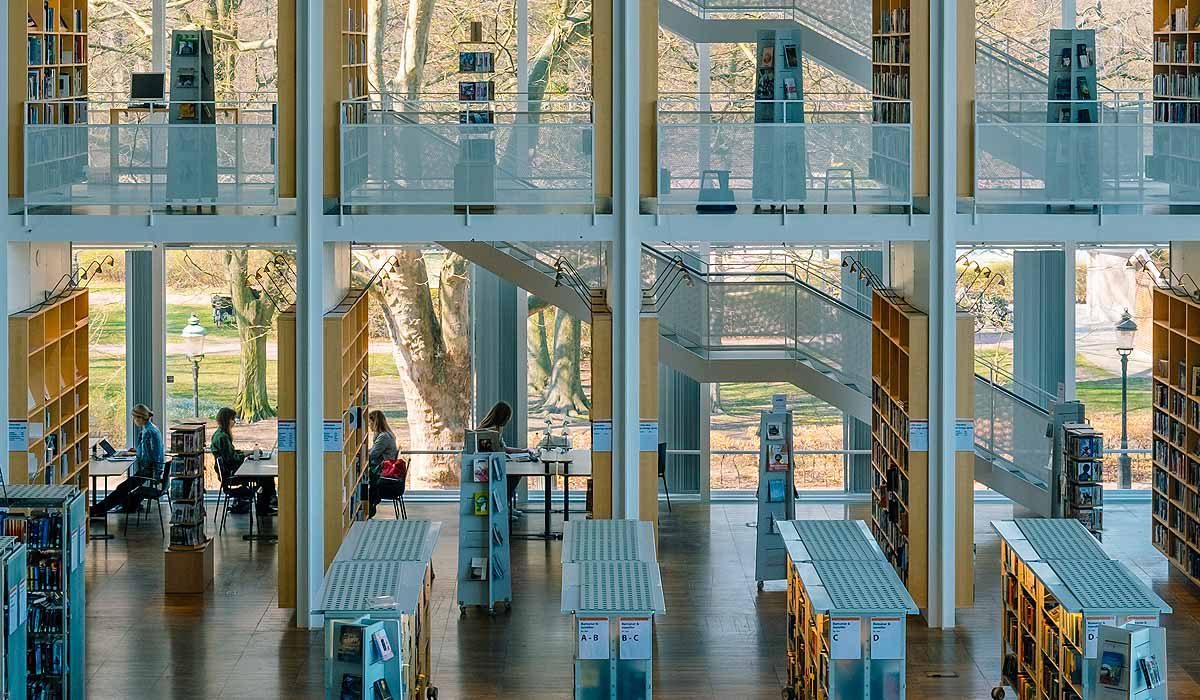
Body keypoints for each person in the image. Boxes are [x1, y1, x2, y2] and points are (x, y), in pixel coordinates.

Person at [91, 404, 164, 517]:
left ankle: (96, 511)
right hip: (153, 469)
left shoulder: (147, 432)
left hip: (149, 471)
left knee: (121, 488)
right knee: (124, 488)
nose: (134, 421)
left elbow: (148, 457)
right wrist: (136, 451)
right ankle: (102, 509)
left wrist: (135, 454)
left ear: (139, 418)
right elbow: (150, 451)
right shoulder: (153, 428)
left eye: (134, 418)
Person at [212, 407, 277, 516]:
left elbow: (231, 454)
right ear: (227, 420)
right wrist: (247, 454)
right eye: (232, 419)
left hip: (229, 473)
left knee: (265, 478)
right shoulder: (222, 437)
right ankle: (266, 506)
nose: (234, 422)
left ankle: (267, 504)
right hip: (231, 475)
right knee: (265, 478)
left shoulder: (219, 434)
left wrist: (248, 452)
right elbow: (232, 459)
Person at [476, 401, 536, 513]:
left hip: (494, 465)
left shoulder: (496, 428)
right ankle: (505, 508)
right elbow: (499, 451)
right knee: (513, 477)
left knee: (515, 476)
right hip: (487, 468)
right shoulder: (492, 431)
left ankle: (507, 507)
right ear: (504, 417)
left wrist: (523, 450)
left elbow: (504, 448)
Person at [366, 411, 401, 519]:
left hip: (384, 473)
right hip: (385, 470)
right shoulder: (385, 435)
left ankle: (369, 509)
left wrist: (361, 454)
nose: (369, 426)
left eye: (370, 423)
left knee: (365, 482)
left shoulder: (383, 437)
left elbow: (372, 455)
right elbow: (373, 451)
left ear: (375, 422)